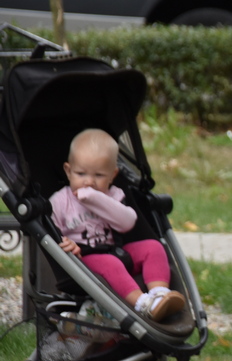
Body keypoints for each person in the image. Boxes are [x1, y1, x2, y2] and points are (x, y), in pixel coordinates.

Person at [51, 128, 185, 322]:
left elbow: (127, 223)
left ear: (113, 175)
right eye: (80, 174)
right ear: (68, 170)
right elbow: (51, 230)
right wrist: (65, 243)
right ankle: (143, 304)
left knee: (153, 247)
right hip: (83, 259)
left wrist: (97, 199)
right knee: (111, 263)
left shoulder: (113, 195)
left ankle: (159, 295)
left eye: (98, 176)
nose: (89, 182)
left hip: (115, 250)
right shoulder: (61, 201)